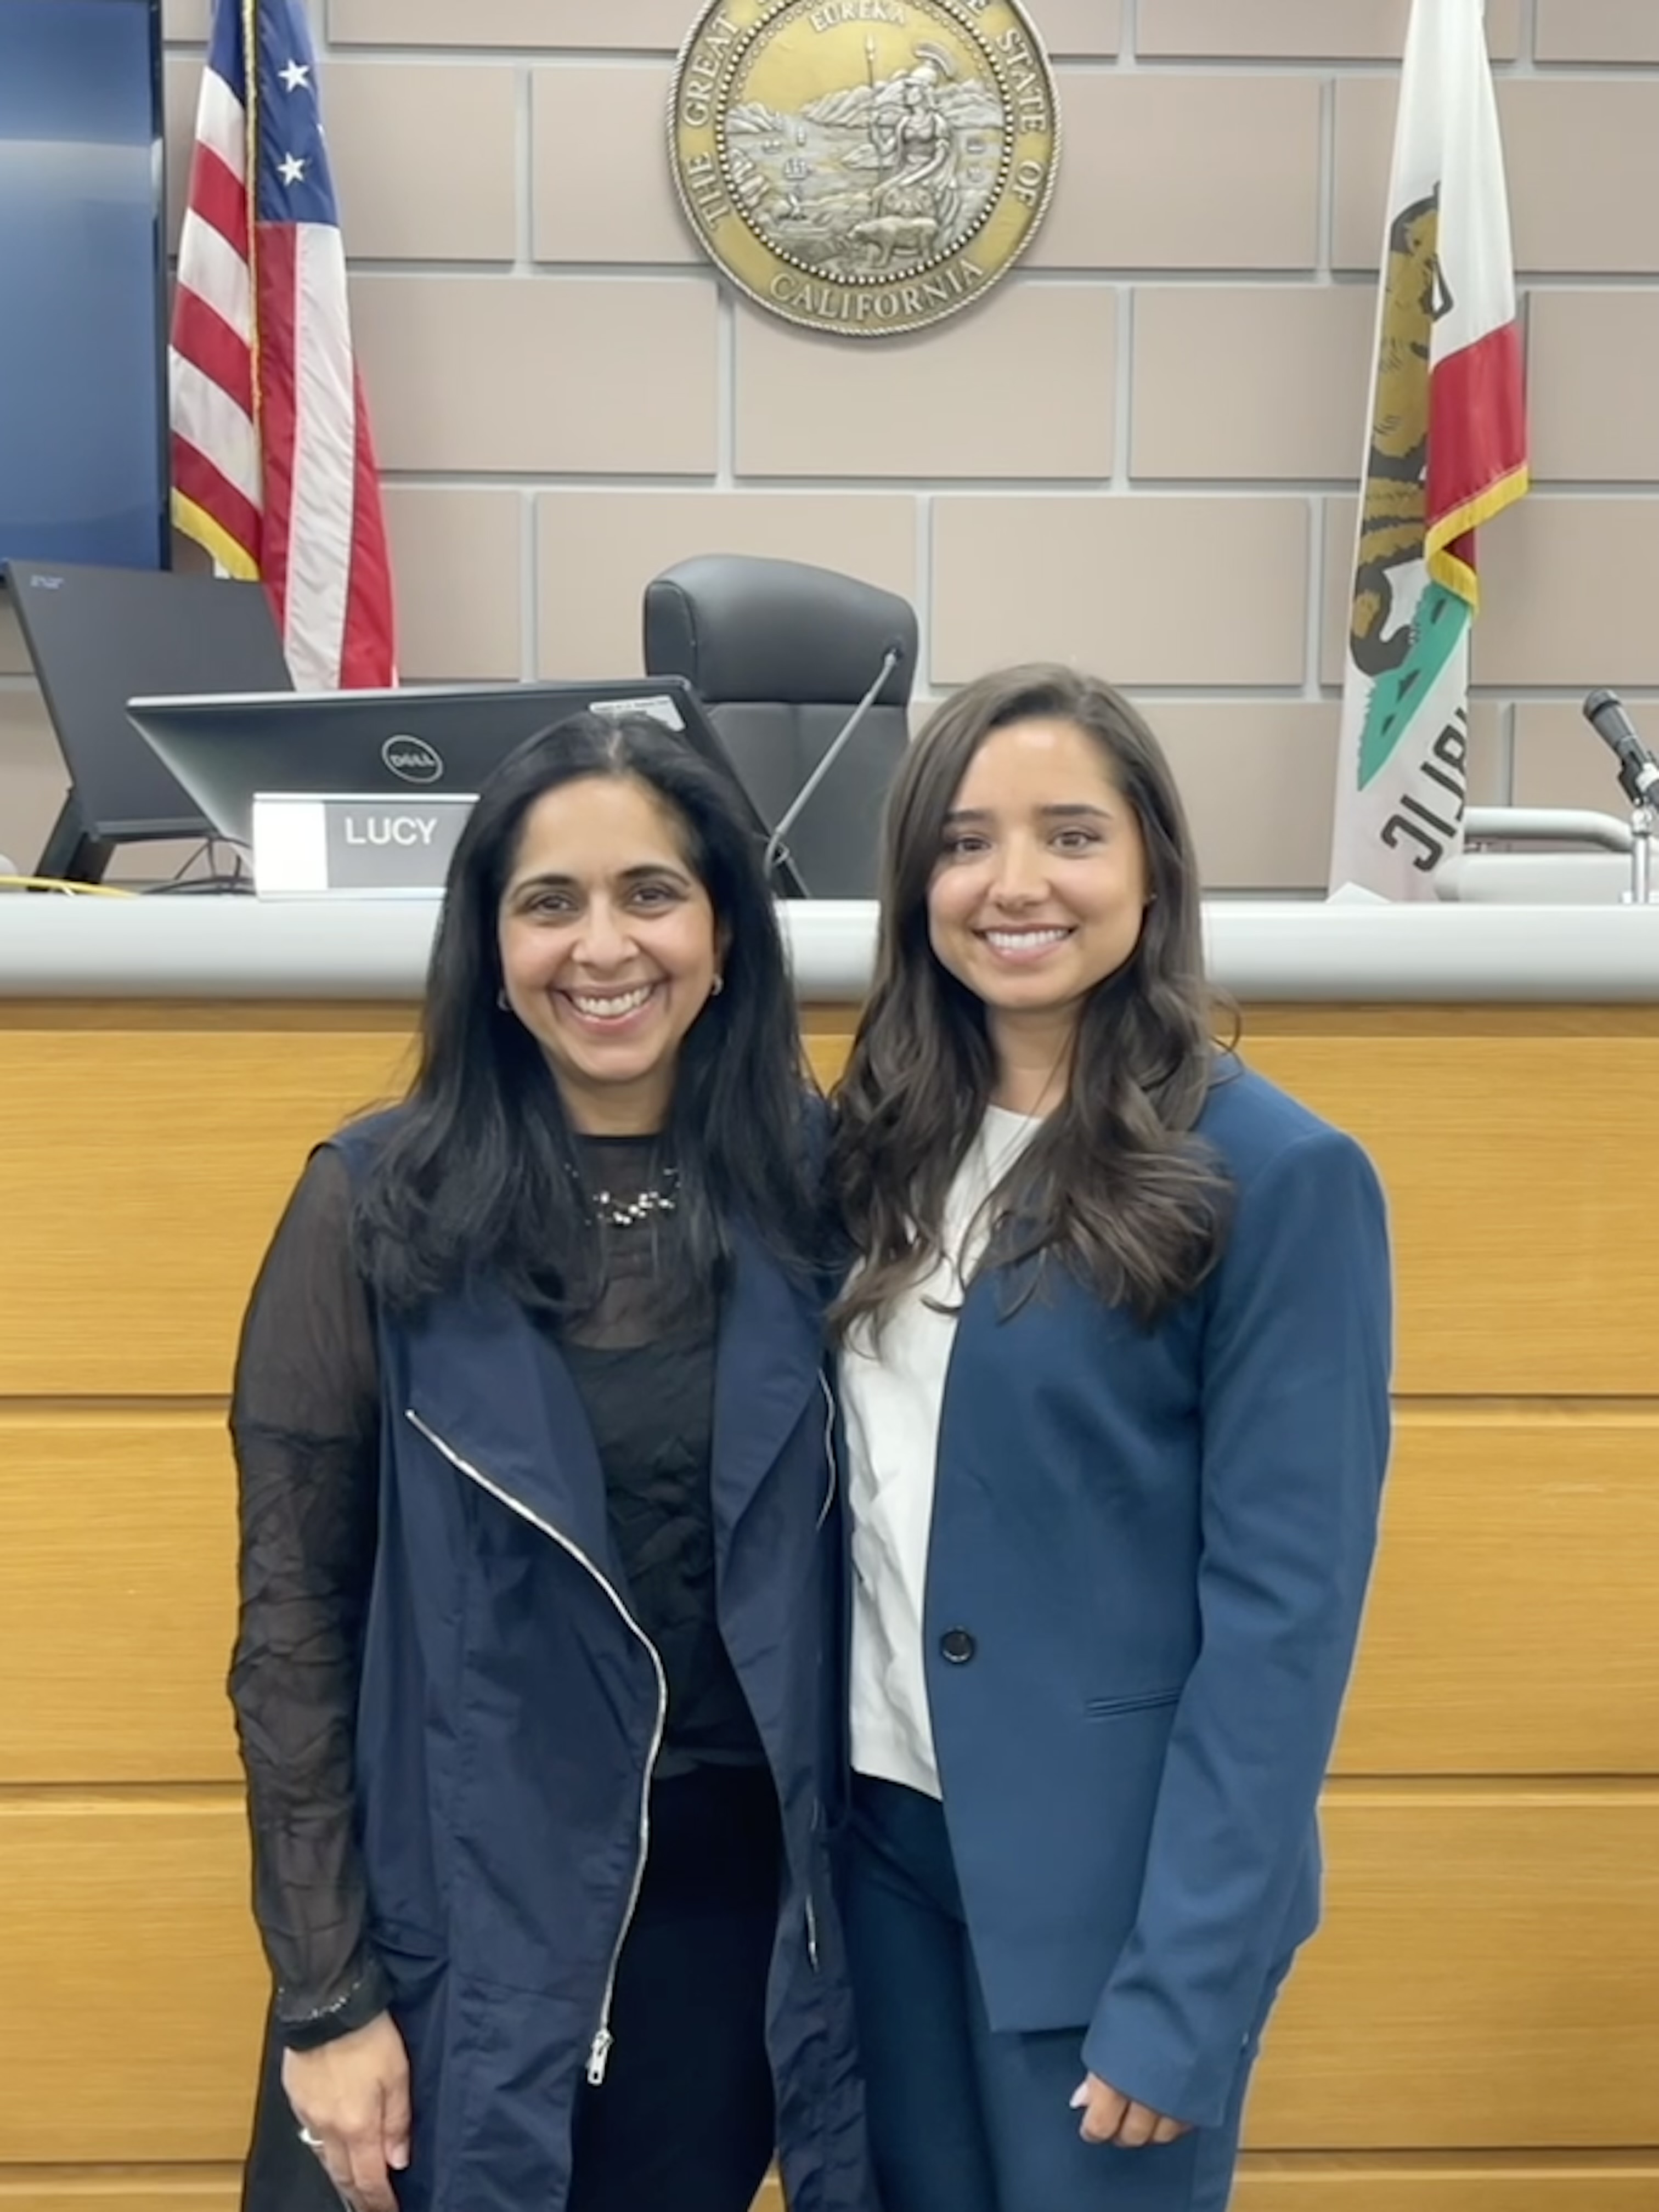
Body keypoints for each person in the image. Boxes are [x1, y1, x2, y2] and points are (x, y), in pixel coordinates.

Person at [228, 713, 868, 2212]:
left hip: (720, 1942)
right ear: (490, 948)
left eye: (652, 893)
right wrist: (326, 1999)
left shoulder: (826, 1196)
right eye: (549, 902)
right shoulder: (371, 1207)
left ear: (725, 936)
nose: (604, 947)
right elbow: (293, 1633)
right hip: (451, 1920)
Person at [828, 665, 1391, 2212]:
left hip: (1116, 1912)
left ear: (1152, 866)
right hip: (884, 1870)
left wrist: (1185, 1989)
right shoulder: (870, 1147)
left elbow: (1287, 1623)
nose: (1014, 884)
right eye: (963, 842)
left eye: (1070, 836)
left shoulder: (1276, 1176)